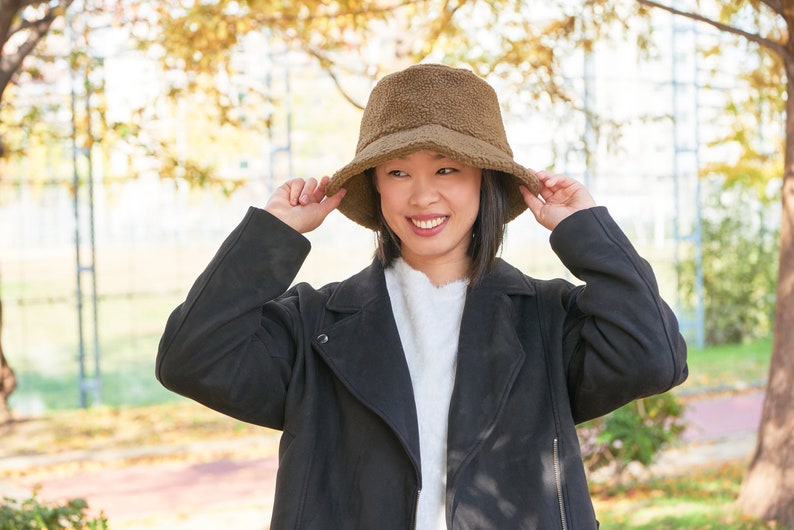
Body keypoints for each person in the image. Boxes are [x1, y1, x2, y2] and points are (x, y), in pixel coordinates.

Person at [156, 63, 688, 529]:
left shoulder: (546, 319)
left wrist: (584, 229)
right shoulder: (313, 326)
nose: (422, 194)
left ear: (485, 181)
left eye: (447, 168)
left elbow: (654, 358)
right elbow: (190, 358)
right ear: (377, 187)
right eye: (398, 171)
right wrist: (270, 236)